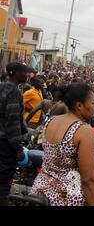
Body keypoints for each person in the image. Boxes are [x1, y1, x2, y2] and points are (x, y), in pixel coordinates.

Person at [31, 83, 94, 206]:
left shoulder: (51, 120)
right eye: (92, 103)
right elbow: (88, 180)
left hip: (41, 188)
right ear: (79, 105)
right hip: (66, 195)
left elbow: (60, 152)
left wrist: (90, 148)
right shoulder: (84, 130)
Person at [0, 63, 31, 206]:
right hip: (6, 143)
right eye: (25, 72)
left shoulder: (2, 86)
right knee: (4, 180)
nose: (28, 75)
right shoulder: (14, 92)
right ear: (16, 73)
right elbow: (12, 123)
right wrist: (18, 149)